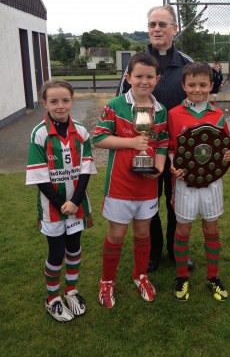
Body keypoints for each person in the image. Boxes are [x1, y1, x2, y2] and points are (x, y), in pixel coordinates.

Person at [117, 4, 194, 272]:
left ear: (175, 28)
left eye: (163, 24)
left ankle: (176, 249)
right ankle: (151, 252)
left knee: (176, 202)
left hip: (177, 151)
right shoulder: (135, 64)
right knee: (146, 204)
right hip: (142, 149)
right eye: (152, 24)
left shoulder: (187, 64)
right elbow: (119, 105)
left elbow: (198, 106)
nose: (157, 29)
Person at [93, 53, 168, 308]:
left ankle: (140, 275)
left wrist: (158, 165)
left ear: (157, 79)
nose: (144, 81)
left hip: (147, 185)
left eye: (149, 77)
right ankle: (107, 281)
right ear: (128, 78)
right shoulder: (115, 105)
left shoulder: (161, 110)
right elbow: (99, 138)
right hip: (120, 185)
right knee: (116, 235)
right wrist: (131, 142)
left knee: (143, 232)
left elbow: (163, 143)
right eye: (138, 76)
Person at [26, 80, 97, 322]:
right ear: (44, 103)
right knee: (56, 252)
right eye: (54, 101)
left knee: (74, 247)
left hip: (77, 204)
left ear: (72, 101)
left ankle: (71, 291)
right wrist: (60, 204)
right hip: (53, 207)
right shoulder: (39, 133)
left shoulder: (82, 131)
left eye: (65, 100)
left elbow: (86, 169)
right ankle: (52, 298)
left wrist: (75, 202)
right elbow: (39, 176)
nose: (60, 106)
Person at [168, 62, 230, 302]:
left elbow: (225, 145)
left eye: (203, 84)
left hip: (211, 183)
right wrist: (173, 166)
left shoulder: (217, 114)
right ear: (184, 86)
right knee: (183, 229)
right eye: (192, 85)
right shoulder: (174, 113)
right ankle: (182, 276)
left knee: (211, 228)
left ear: (210, 85)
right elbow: (170, 148)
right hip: (185, 183)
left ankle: (213, 277)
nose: (197, 89)